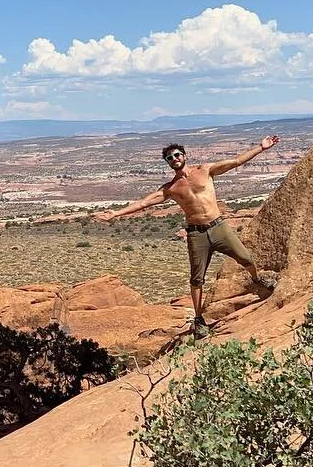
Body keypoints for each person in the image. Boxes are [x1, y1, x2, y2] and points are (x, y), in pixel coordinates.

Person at [97, 137, 280, 338]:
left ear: (184, 156)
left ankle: (257, 279)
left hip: (218, 226)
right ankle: (199, 319)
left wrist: (261, 148)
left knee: (245, 258)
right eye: (169, 158)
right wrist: (115, 214)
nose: (174, 159)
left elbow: (236, 162)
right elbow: (143, 203)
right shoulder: (170, 188)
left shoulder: (205, 170)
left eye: (177, 155)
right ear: (168, 163)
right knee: (196, 278)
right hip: (196, 234)